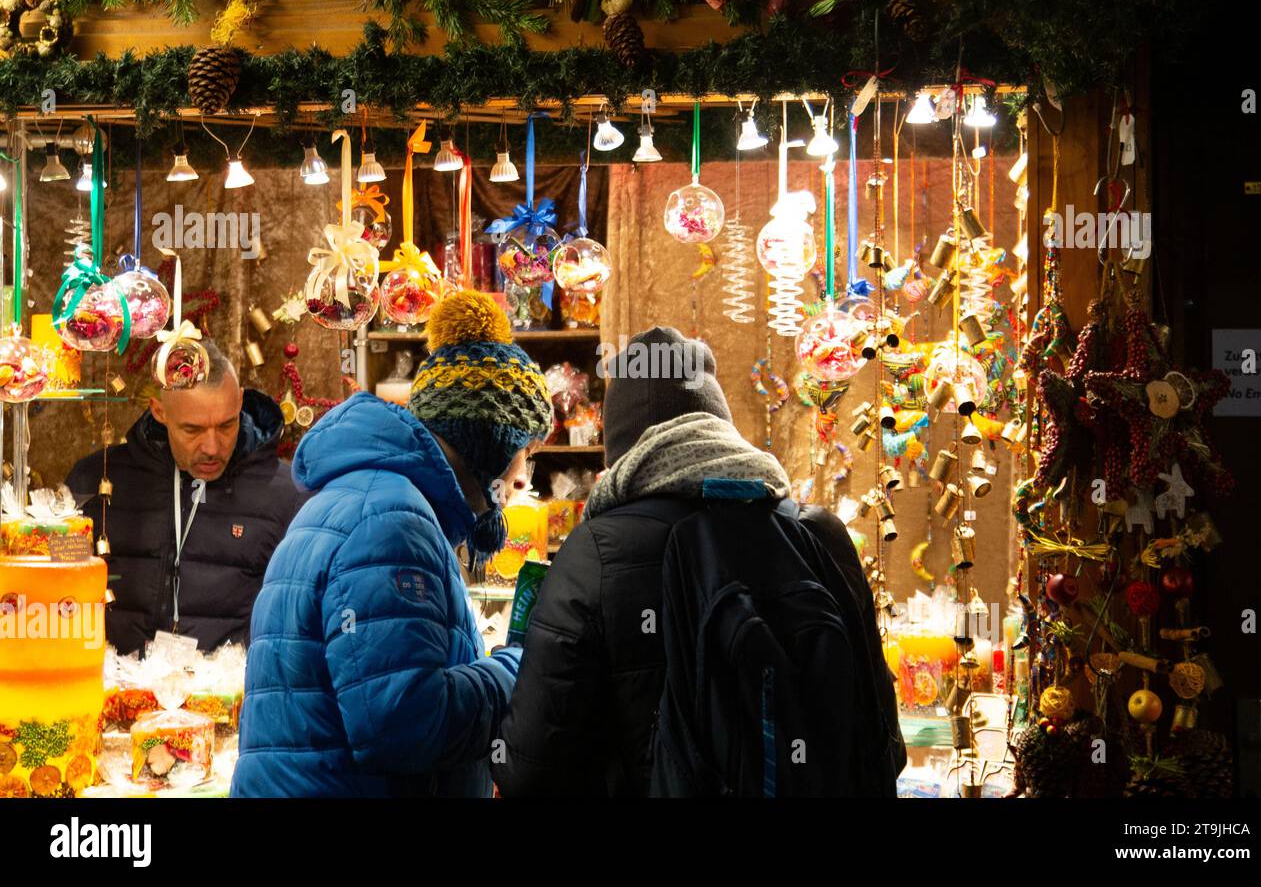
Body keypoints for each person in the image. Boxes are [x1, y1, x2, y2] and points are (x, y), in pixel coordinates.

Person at [493, 326, 906, 797]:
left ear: (623, 443)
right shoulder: (820, 536)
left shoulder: (597, 552)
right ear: (718, 423)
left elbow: (528, 769)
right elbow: (884, 748)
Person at [231, 290, 554, 798]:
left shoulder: (375, 500)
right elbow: (405, 725)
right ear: (491, 447)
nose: (522, 478)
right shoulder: (390, 523)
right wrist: (518, 664)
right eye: (525, 453)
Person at [65, 337, 303, 656]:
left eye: (226, 425)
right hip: (116, 695)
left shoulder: (287, 494)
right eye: (192, 430)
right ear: (159, 411)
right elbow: (56, 592)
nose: (212, 447)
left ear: (240, 402)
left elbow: (305, 618)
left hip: (233, 697)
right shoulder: (97, 478)